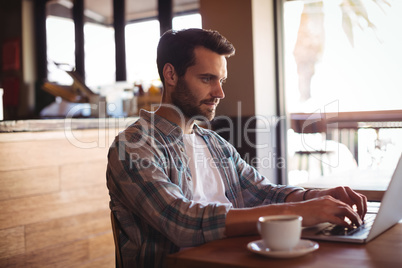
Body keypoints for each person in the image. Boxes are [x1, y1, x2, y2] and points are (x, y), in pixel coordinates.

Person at [106, 28, 367, 268]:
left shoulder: (213, 142)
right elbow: (181, 221)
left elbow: (263, 192)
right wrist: (297, 211)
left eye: (222, 80)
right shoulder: (133, 146)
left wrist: (314, 198)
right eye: (207, 79)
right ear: (171, 74)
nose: (219, 92)